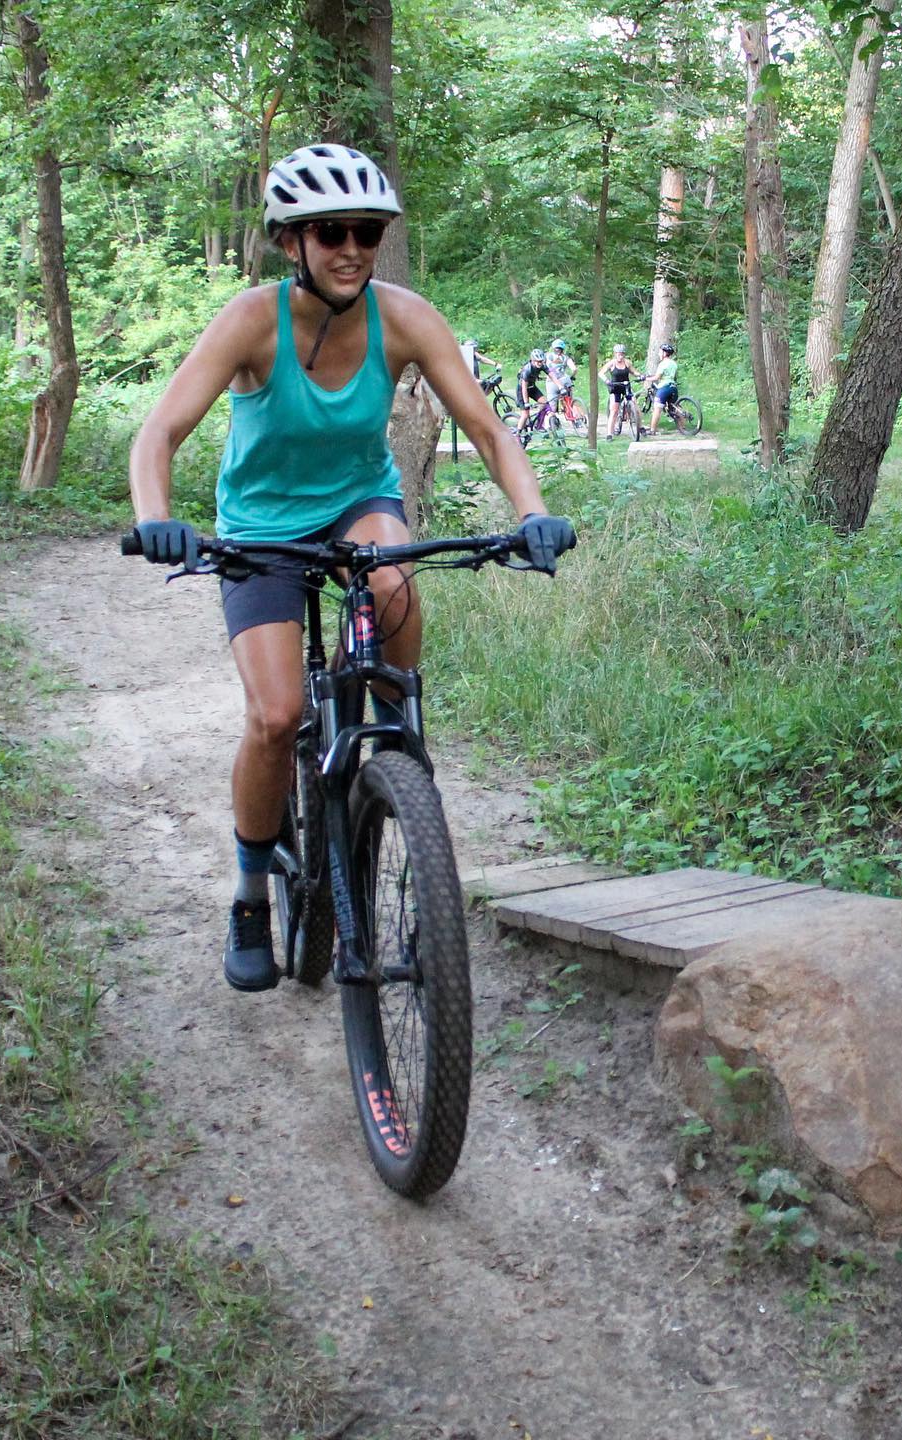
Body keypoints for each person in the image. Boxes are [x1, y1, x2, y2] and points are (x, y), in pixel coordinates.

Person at [128, 142, 575, 994]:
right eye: (330, 231)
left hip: (356, 501)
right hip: (260, 525)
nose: (351, 248)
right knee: (273, 716)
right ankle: (253, 891)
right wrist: (157, 521)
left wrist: (533, 512)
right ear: (289, 241)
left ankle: (395, 756)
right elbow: (158, 434)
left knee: (392, 582)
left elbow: (489, 429)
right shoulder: (250, 322)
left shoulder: (404, 317)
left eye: (367, 231)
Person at [599, 343, 642, 438]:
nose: (621, 356)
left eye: (622, 354)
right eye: (619, 354)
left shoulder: (627, 363)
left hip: (626, 386)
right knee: (614, 410)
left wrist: (640, 375)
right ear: (615, 354)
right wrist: (606, 380)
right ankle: (609, 433)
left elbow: (633, 372)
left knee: (634, 404)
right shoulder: (611, 363)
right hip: (615, 387)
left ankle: (640, 427)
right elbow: (601, 373)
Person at [644, 341, 680, 436]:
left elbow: (657, 378)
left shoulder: (662, 364)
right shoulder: (674, 364)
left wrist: (646, 378)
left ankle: (652, 430)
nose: (659, 354)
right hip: (673, 387)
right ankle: (683, 427)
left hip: (664, 388)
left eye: (660, 352)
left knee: (657, 409)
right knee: (676, 407)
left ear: (664, 353)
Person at [543, 337, 577, 416]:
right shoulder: (566, 358)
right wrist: (572, 376)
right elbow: (574, 369)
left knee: (552, 408)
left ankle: (553, 423)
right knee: (569, 400)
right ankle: (573, 416)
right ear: (563, 348)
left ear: (553, 348)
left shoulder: (547, 356)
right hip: (565, 380)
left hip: (552, 382)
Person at [516, 347, 549, 423]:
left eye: (541, 361)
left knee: (545, 403)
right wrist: (526, 403)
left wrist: (561, 386)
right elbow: (524, 388)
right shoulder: (527, 369)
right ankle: (518, 432)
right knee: (525, 415)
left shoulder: (542, 366)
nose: (540, 363)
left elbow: (552, 375)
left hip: (532, 388)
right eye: (538, 361)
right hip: (522, 390)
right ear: (533, 361)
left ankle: (539, 424)